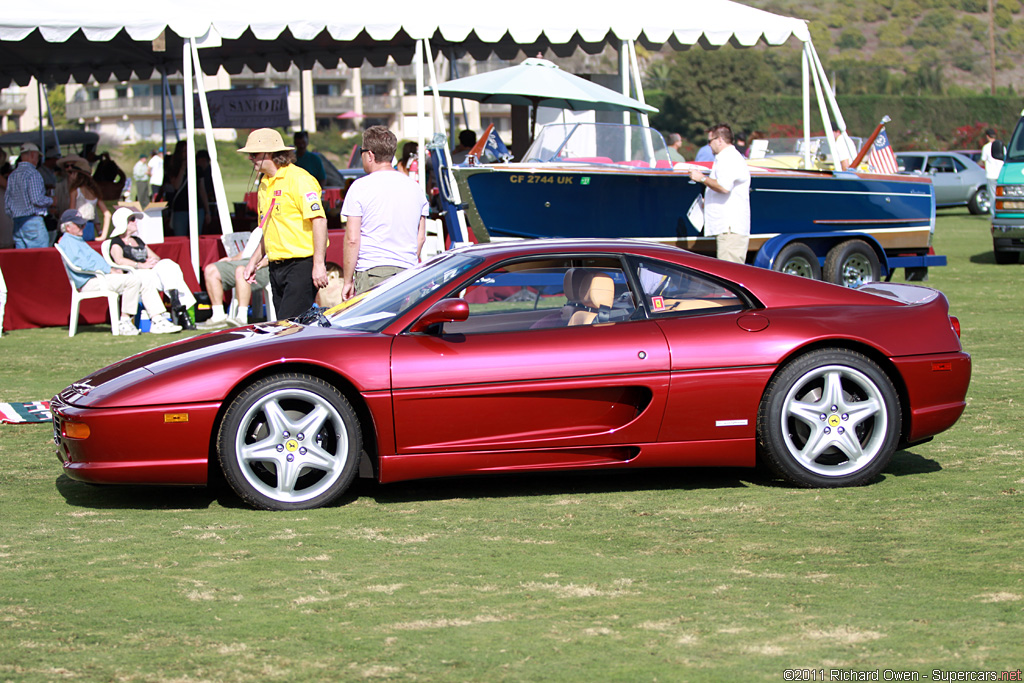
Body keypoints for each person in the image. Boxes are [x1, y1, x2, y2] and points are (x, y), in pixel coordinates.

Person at [239, 128, 328, 319]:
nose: (250, 158)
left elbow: (319, 220)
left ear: (269, 153)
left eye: (254, 154)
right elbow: (268, 228)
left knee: (289, 327)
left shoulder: (299, 179)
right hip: (276, 266)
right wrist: (253, 262)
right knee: (285, 327)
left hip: (301, 264)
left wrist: (318, 264)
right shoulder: (264, 183)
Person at [57, 209, 181, 335]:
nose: (83, 227)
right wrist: (109, 270)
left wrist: (111, 270)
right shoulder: (68, 241)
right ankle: (124, 321)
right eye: (79, 225)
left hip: (99, 277)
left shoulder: (76, 240)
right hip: (91, 281)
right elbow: (81, 264)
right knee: (133, 280)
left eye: (83, 224)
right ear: (68, 227)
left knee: (143, 279)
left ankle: (157, 319)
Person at [341, 125, 428, 299]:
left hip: (372, 271)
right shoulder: (415, 188)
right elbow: (421, 237)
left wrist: (348, 280)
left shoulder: (359, 187)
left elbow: (352, 239)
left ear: (370, 155)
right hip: (409, 273)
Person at [106, 206, 196, 327]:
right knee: (152, 275)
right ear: (123, 222)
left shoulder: (138, 240)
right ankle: (180, 312)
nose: (135, 222)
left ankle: (175, 299)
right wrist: (140, 265)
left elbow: (156, 257)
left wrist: (152, 261)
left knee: (168, 264)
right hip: (134, 275)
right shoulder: (116, 242)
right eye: (132, 219)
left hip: (150, 273)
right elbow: (119, 260)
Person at [689, 123, 751, 264]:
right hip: (728, 228)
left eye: (709, 141)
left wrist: (702, 178)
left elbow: (724, 187)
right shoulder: (726, 158)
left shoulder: (728, 158)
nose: (709, 145)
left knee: (730, 275)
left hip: (730, 229)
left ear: (720, 140)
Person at [197, 228, 271, 329]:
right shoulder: (259, 228)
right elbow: (247, 252)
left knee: (241, 270)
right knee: (211, 269)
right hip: (245, 261)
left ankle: (241, 317)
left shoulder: (277, 223)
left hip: (265, 265)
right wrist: (232, 259)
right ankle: (218, 315)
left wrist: (258, 263)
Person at [4, 142, 53, 249]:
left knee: (23, 260)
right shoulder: (33, 173)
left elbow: (7, 204)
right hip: (32, 221)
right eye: (38, 157)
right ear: (32, 155)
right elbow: (36, 199)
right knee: (39, 258)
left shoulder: (12, 176)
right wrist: (52, 200)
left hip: (17, 223)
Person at [164, 140, 211, 237]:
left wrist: (207, 211)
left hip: (197, 207)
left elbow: (202, 190)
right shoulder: (174, 168)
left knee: (196, 236)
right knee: (180, 236)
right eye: (183, 151)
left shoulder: (197, 169)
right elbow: (176, 186)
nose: (185, 154)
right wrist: (182, 169)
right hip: (180, 208)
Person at [67, 156, 112, 241]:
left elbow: (71, 213)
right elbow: (107, 214)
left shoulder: (75, 191)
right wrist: (103, 236)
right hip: (90, 227)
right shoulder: (94, 192)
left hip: (77, 226)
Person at [981, 128, 1004, 216]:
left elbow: (983, 160)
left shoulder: (986, 147)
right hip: (1000, 174)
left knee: (992, 196)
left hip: (991, 174)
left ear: (987, 136)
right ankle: (1001, 212)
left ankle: (994, 214)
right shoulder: (1002, 146)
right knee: (1000, 195)